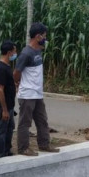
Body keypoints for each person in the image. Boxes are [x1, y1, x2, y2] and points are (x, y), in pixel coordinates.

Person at [15, 22, 58, 156]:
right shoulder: (25, 54)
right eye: (44, 36)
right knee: (25, 123)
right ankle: (23, 148)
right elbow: (16, 73)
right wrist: (19, 85)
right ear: (38, 36)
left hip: (37, 93)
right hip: (28, 94)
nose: (45, 39)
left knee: (42, 120)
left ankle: (44, 144)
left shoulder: (38, 50)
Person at [0, 40, 17, 158]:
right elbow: (0, 89)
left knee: (10, 127)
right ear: (9, 52)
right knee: (2, 129)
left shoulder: (7, 66)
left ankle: (6, 150)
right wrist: (5, 110)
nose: (15, 54)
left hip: (9, 104)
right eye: (14, 51)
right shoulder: (1, 68)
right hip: (4, 105)